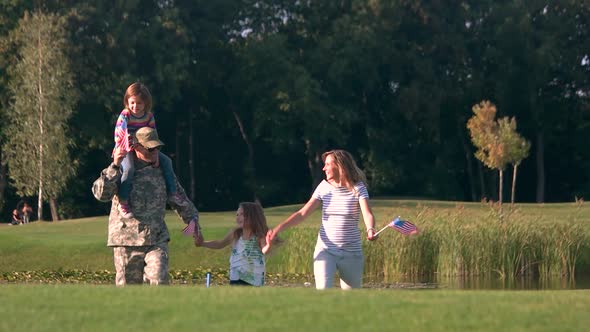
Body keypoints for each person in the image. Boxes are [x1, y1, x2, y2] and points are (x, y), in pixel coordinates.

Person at [92, 126, 202, 286]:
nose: (155, 152)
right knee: (128, 293)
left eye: (157, 148)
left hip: (156, 238)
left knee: (159, 280)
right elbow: (101, 194)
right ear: (136, 147)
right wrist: (114, 166)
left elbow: (179, 198)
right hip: (127, 240)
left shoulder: (164, 170)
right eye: (150, 149)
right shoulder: (122, 169)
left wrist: (193, 222)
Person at [267, 149, 378, 290]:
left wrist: (370, 230)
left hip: (351, 252)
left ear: (340, 166)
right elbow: (303, 213)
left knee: (352, 300)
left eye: (327, 164)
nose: (323, 168)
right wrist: (278, 228)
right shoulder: (323, 187)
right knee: (323, 293)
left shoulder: (358, 188)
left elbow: (367, 214)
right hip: (326, 250)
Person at [113, 82, 182, 219]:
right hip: (126, 149)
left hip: (144, 147)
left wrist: (155, 156)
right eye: (132, 102)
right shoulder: (125, 115)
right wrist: (127, 144)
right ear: (127, 101)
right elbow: (118, 134)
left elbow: (153, 136)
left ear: (146, 103)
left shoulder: (149, 116)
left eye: (139, 103)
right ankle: (123, 201)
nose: (135, 106)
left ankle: (173, 194)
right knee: (129, 169)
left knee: (167, 161)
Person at [195, 202, 276, 286]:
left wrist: (268, 245)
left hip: (253, 279)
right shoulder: (235, 234)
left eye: (242, 214)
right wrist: (203, 243)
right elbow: (220, 244)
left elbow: (264, 250)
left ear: (253, 216)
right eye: (237, 214)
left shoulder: (259, 236)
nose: (238, 217)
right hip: (235, 276)